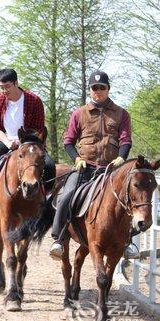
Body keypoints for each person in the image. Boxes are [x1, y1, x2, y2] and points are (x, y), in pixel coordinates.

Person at [49, 70, 139, 260]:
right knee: (66, 197)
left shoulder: (121, 114)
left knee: (129, 199)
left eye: (102, 87)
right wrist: (76, 159)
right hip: (85, 167)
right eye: (94, 88)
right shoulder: (79, 114)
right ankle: (58, 238)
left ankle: (128, 241)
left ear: (108, 89)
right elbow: (68, 141)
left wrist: (122, 157)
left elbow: (125, 140)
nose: (98, 91)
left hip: (111, 170)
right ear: (90, 90)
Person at [0, 68, 56, 215]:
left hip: (29, 142)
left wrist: (23, 142)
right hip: (5, 140)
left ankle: (46, 197)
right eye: (1, 87)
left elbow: (38, 127)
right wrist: (8, 142)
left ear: (16, 83)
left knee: (50, 165)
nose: (4, 91)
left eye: (7, 86)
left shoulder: (34, 100)